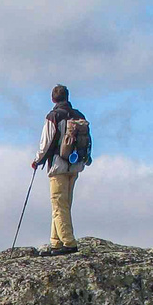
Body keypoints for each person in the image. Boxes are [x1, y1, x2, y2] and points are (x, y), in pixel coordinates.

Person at [31, 85, 87, 256]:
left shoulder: (53, 116)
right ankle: (55, 242)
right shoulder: (79, 116)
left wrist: (37, 160)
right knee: (65, 204)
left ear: (53, 99)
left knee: (58, 204)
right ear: (67, 97)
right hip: (75, 165)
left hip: (58, 166)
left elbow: (46, 142)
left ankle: (68, 242)